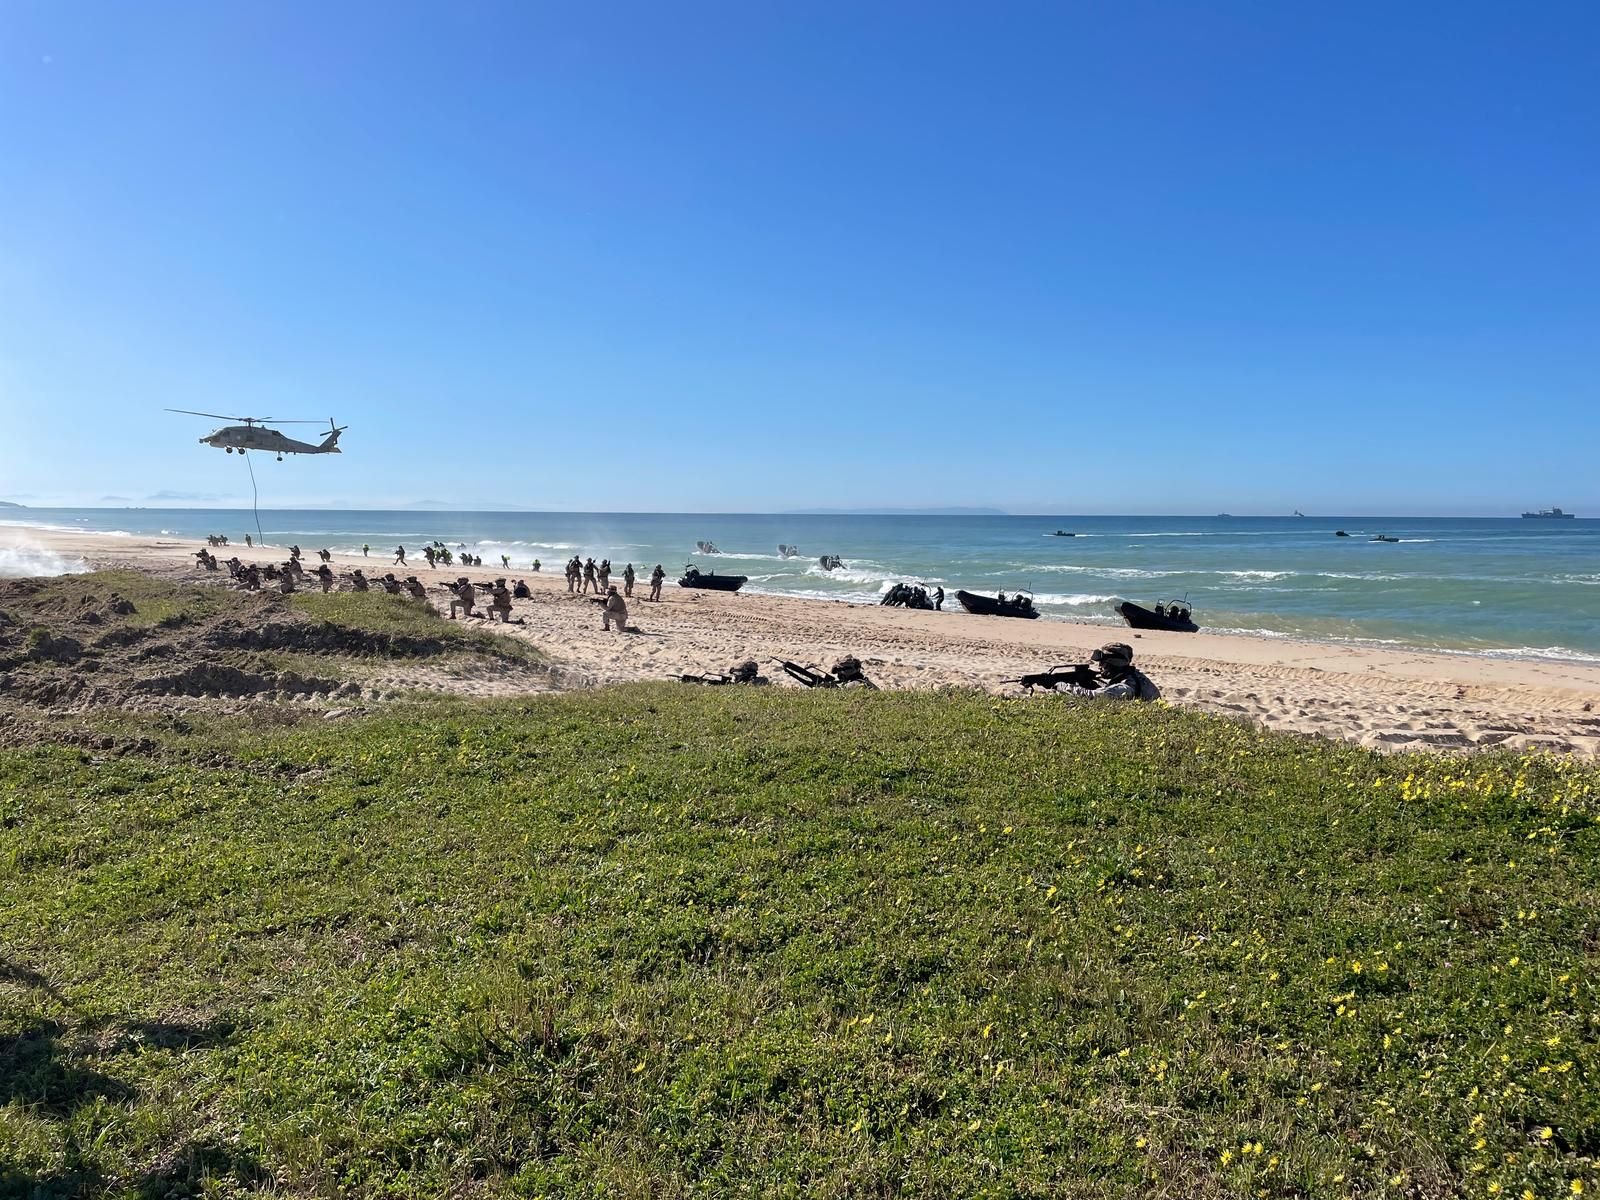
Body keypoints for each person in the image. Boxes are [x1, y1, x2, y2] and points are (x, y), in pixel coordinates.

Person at [1054, 642, 1161, 702]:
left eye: (1103, 663)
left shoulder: (1126, 687)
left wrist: (1062, 686)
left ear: (1114, 665)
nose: (1099, 667)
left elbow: (1093, 696)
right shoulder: (1134, 676)